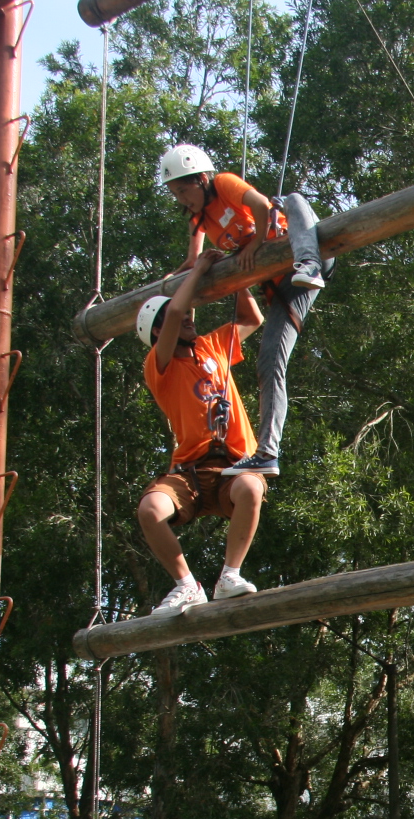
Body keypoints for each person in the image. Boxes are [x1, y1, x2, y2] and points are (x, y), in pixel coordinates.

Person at [157, 144, 330, 478]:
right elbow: (193, 262)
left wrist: (253, 245)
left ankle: (309, 263)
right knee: (268, 363)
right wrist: (170, 280)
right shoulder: (199, 218)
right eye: (175, 193)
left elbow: (261, 206)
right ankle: (267, 453)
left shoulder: (223, 183)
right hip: (283, 288)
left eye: (183, 190)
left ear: (202, 179)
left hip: (300, 253)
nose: (181, 199)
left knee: (291, 198)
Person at [134, 248, 267, 617]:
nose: (189, 317)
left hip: (233, 466)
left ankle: (229, 576)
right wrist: (203, 267)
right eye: (177, 318)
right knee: (150, 509)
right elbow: (176, 310)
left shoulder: (213, 346)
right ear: (159, 331)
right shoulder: (159, 366)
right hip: (190, 471)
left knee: (251, 487)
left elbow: (251, 317)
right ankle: (186, 585)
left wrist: (236, 277)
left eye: (193, 313)